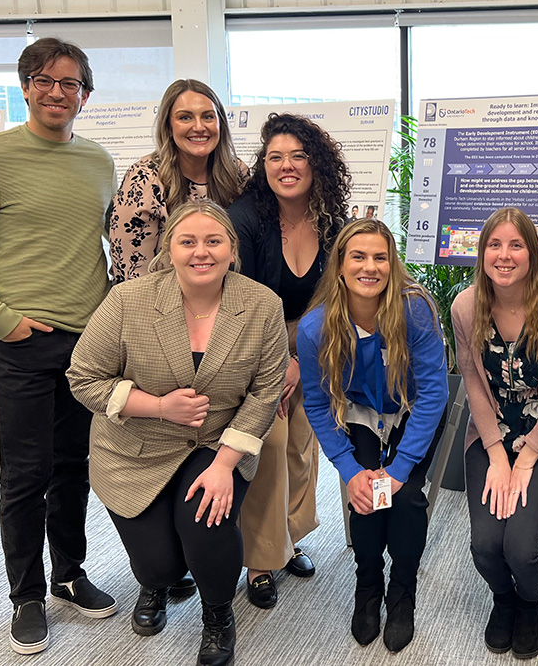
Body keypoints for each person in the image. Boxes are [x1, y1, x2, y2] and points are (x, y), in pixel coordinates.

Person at [0, 37, 118, 655]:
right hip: (20, 342)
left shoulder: (99, 162)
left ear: (85, 95)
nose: (56, 92)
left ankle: (69, 575)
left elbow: (110, 248)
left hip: (88, 345)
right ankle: (26, 596)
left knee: (74, 468)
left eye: (69, 84)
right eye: (44, 80)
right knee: (25, 474)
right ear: (25, 87)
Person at [67, 200, 288, 666]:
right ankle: (155, 585)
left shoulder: (262, 304)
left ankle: (218, 615)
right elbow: (83, 377)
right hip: (133, 447)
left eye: (214, 241)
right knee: (161, 566)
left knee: (207, 525)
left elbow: (266, 392)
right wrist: (159, 406)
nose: (201, 252)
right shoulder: (128, 301)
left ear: (233, 250)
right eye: (188, 242)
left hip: (217, 442)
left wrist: (227, 464)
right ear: (169, 250)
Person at [297, 218, 448, 652]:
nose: (370, 267)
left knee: (402, 497)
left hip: (411, 410)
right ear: (340, 267)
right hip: (357, 412)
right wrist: (348, 468)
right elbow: (319, 405)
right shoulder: (315, 329)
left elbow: (434, 394)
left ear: (392, 263)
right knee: (365, 496)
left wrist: (400, 469)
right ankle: (368, 589)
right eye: (358, 257)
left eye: (380, 257)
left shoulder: (415, 311)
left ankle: (403, 593)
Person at [229, 112, 350, 607]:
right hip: (255, 340)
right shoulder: (246, 217)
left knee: (305, 442)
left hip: (314, 341)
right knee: (271, 442)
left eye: (297, 155)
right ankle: (259, 559)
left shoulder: (331, 220)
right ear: (263, 165)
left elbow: (331, 296)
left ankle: (289, 536)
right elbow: (240, 302)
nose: (286, 166)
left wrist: (304, 355)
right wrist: (280, 362)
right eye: (275, 157)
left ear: (315, 163)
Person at [451, 207, 538, 660]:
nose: (504, 255)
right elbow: (472, 382)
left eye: (515, 245)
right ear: (482, 252)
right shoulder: (465, 307)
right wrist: (498, 456)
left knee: (521, 549)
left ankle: (529, 604)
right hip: (490, 436)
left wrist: (525, 459)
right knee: (486, 547)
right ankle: (503, 600)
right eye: (494, 244)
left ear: (532, 252)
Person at [108, 79, 249, 283]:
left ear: (220, 123)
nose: (199, 127)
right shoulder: (144, 180)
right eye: (185, 117)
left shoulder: (237, 174)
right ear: (168, 126)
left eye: (208, 117)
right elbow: (131, 274)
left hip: (224, 298)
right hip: (155, 303)